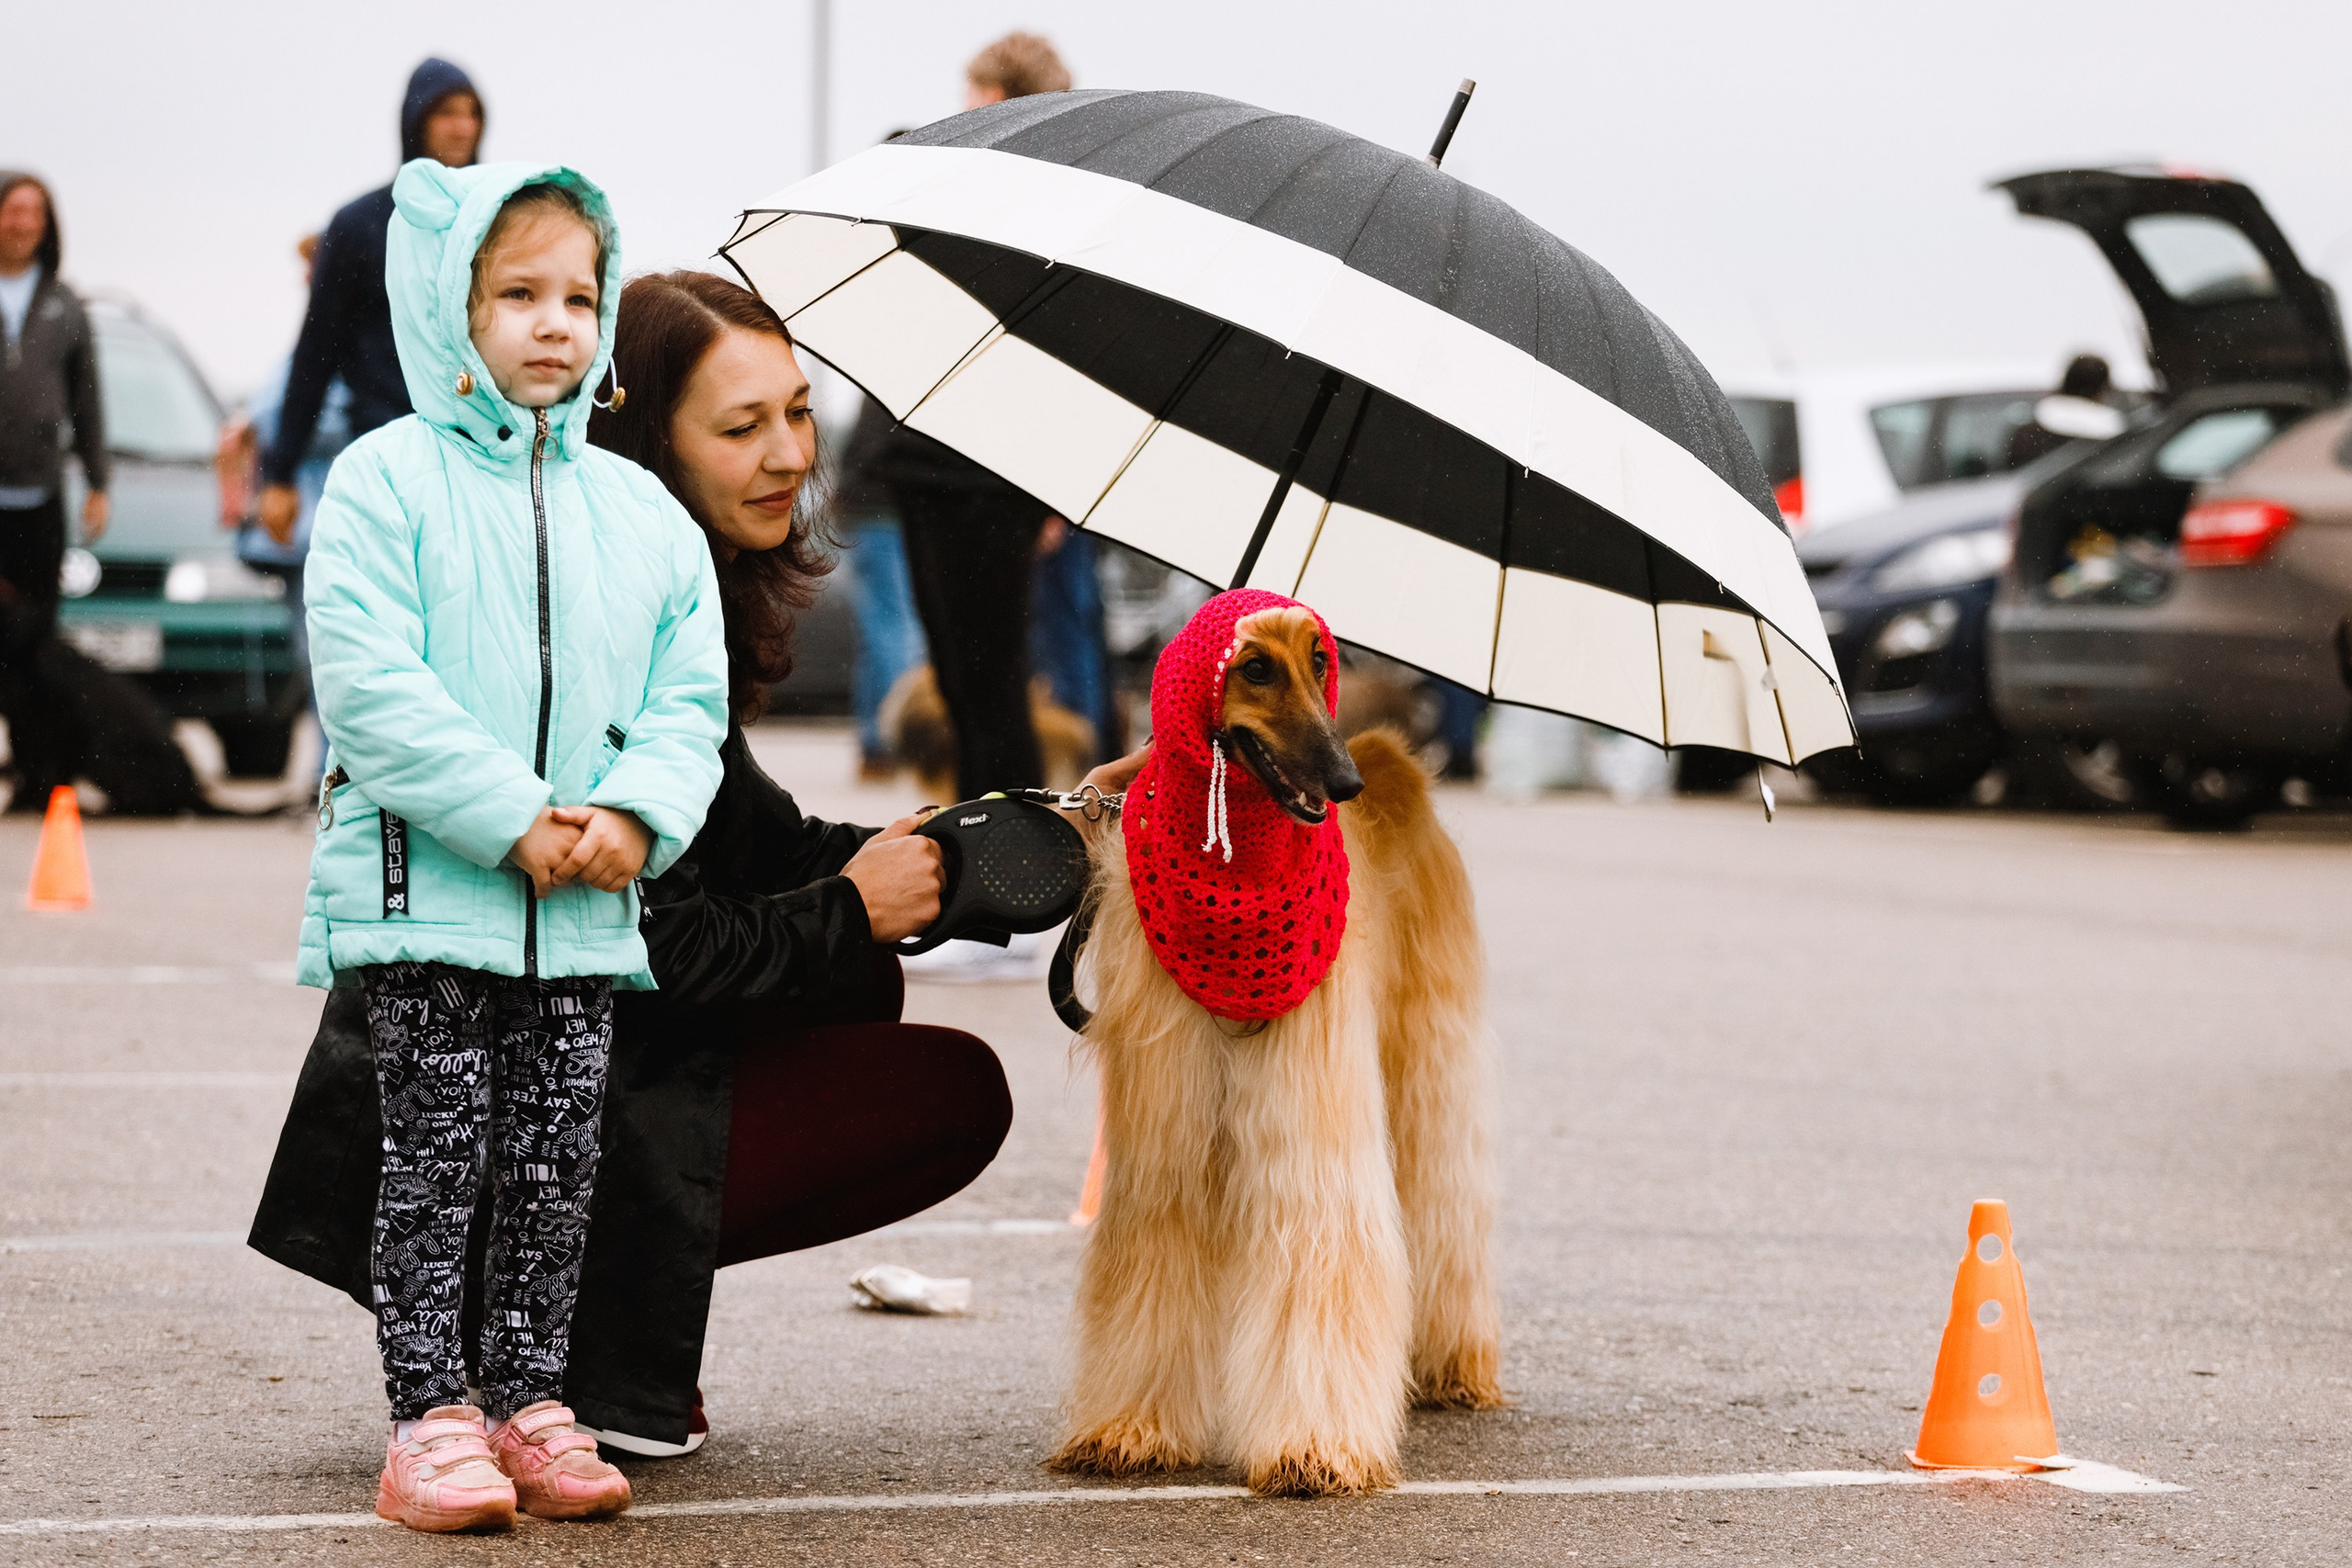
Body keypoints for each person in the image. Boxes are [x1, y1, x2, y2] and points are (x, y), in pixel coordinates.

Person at [251, 271, 1022, 1468]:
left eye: (800, 413)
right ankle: (565, 1340)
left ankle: (571, 1326)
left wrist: (978, 839)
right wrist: (849, 908)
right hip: (489, 1096)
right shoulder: (592, 617)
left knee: (857, 973)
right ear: (646, 442)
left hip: (555, 1073)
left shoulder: (668, 581)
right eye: (741, 426)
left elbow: (759, 839)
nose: (787, 454)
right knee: (938, 1076)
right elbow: (651, 939)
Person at [297, 161, 730, 1531]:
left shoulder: (643, 514)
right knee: (436, 1158)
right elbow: (373, 687)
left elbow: (689, 696)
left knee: (555, 1162)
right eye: (517, 294)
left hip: (589, 904)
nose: (555, 323)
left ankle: (530, 1395)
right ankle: (427, 1413)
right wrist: (512, 815)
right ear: (450, 308)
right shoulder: (384, 483)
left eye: (580, 296)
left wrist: (632, 817)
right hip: (435, 893)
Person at [876, 31, 1078, 801]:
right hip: (925, 457)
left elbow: (1056, 357)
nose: (961, 111)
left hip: (990, 475)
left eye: (976, 95)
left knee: (992, 683)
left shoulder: (1047, 209)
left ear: (1004, 98)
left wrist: (1054, 482)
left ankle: (1018, 859)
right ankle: (980, 840)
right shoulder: (945, 184)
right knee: (961, 682)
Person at [255, 58, 483, 547]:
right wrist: (280, 474)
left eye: (471, 113)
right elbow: (316, 353)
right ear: (415, 121)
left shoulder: (500, 217)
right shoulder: (359, 225)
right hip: (387, 450)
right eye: (446, 112)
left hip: (484, 453)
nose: (462, 127)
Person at [0, 172, 107, 809]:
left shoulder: (64, 303)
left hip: (41, 502)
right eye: (13, 210)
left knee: (37, 642)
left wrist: (98, 480)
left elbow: (88, 401)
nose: (22, 223)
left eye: (34, 212)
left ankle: (39, 773)